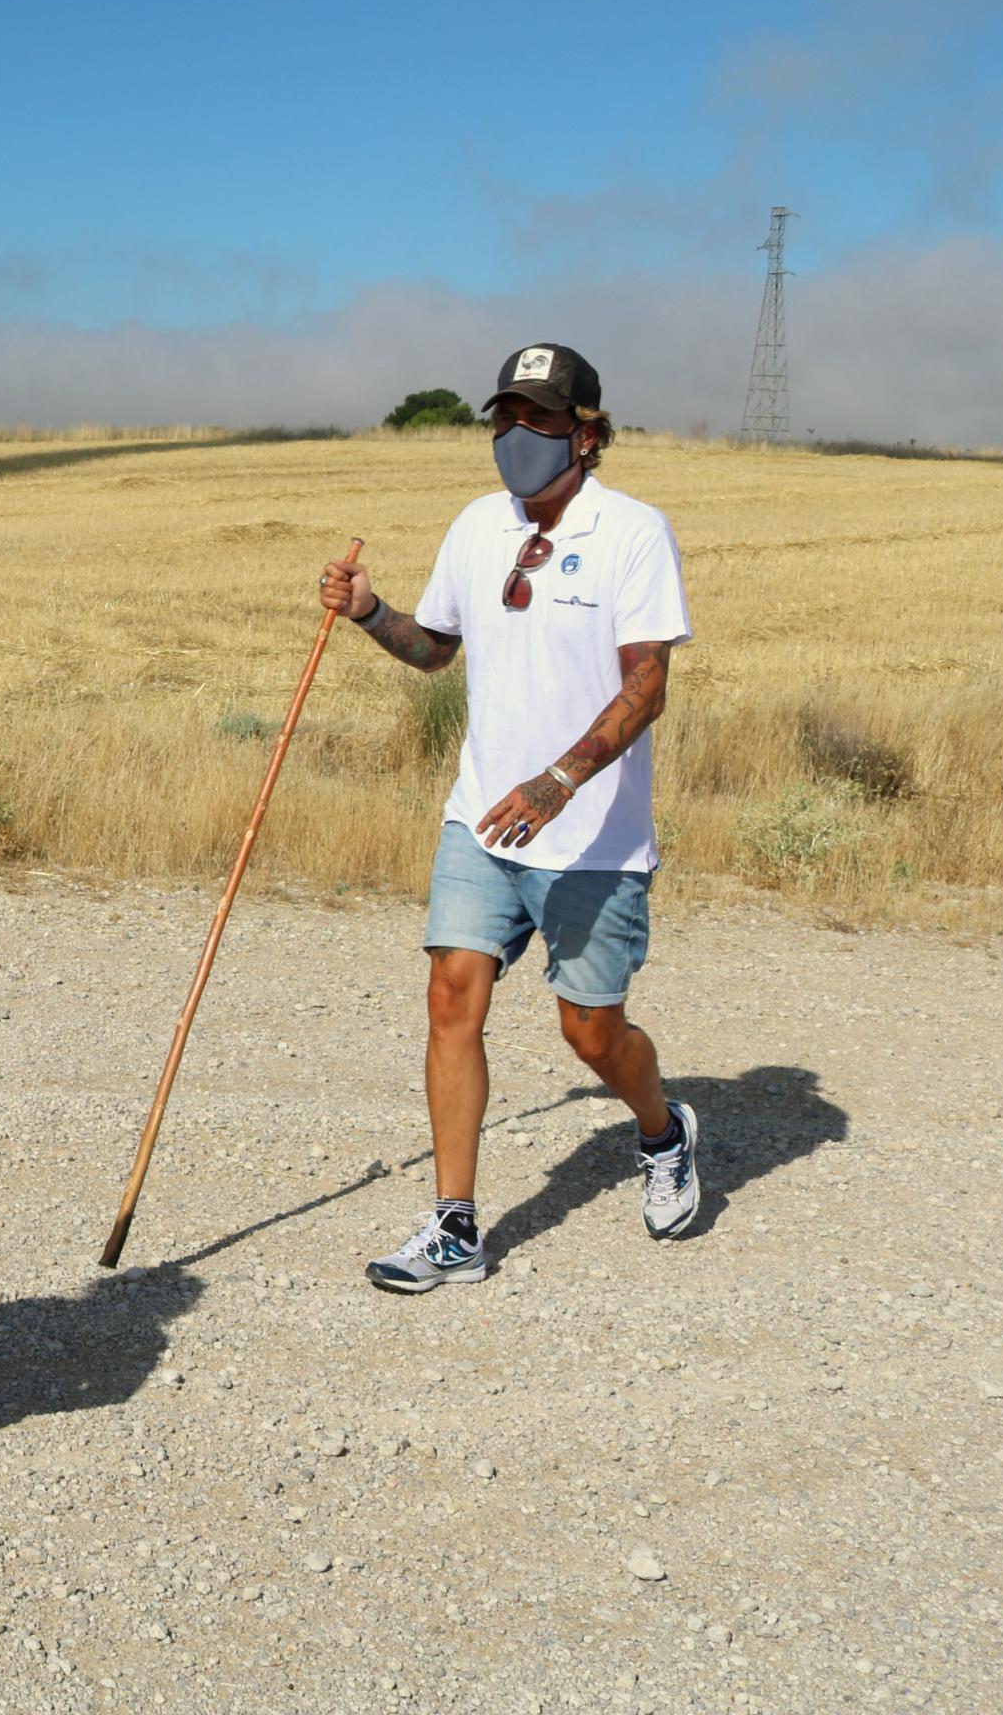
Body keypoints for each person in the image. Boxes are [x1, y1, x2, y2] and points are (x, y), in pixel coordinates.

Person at [320, 343, 704, 1294]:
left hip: (592, 834)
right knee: (452, 995)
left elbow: (647, 687)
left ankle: (663, 1131)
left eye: (539, 420)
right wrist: (371, 614)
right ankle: (456, 1226)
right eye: (505, 418)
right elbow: (435, 650)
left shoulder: (633, 532)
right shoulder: (476, 528)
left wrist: (560, 780)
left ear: (587, 431)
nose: (516, 438)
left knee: (591, 1033)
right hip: (481, 819)